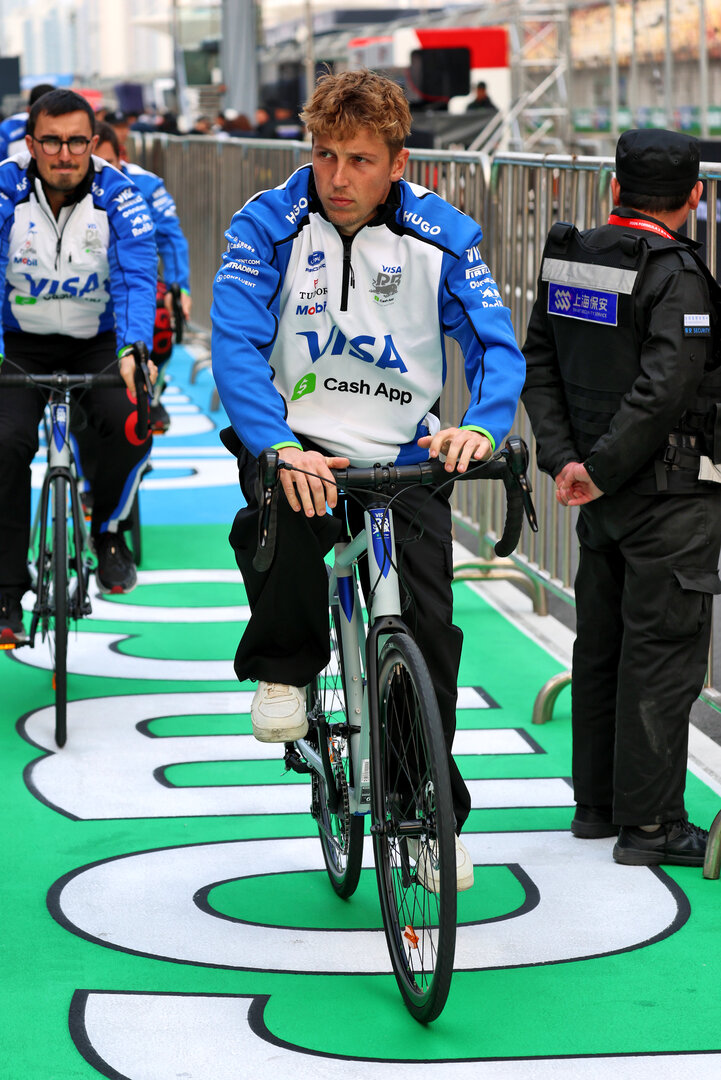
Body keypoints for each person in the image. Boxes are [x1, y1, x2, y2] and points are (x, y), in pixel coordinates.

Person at [211, 69, 525, 892]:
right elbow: (236, 344)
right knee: (275, 517)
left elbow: (495, 349)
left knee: (431, 642)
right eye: (323, 156)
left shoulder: (443, 234)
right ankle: (284, 666)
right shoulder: (265, 225)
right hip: (303, 444)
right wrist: (279, 446)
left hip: (403, 456)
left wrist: (481, 426)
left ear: (397, 160)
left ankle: (429, 807)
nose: (338, 178)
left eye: (358, 159)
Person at [522, 128, 721, 868]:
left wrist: (565, 460)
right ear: (693, 197)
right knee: (662, 658)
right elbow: (666, 390)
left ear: (614, 187)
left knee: (601, 648)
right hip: (663, 496)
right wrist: (600, 468)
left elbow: (538, 358)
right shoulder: (676, 274)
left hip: (596, 497)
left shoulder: (572, 253)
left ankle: (598, 807)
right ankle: (651, 826)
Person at [0, 88, 158, 646]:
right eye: (51, 141)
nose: (63, 154)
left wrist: (135, 350)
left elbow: (139, 276)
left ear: (92, 143)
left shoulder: (122, 194)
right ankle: (5, 589)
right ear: (31, 142)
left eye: (75, 142)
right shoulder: (5, 188)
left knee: (132, 422)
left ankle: (109, 531)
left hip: (99, 342)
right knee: (4, 442)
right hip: (20, 342)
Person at [94, 121, 192, 431]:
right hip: (84, 284)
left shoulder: (147, 184)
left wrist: (180, 288)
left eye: (107, 163)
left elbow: (172, 238)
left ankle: (153, 389)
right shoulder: (69, 183)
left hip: (135, 277)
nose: (99, 171)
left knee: (162, 315)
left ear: (120, 157)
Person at [0, 83, 55, 159]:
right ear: (28, 111)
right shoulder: (8, 131)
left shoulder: (68, 132)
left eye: (53, 114)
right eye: (40, 113)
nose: (46, 120)